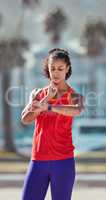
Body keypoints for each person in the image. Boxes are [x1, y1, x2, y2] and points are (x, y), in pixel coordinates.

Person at [21, 48, 84, 200]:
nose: (55, 73)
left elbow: (77, 110)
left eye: (60, 69)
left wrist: (49, 107)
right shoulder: (37, 93)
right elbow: (25, 119)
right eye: (52, 69)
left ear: (67, 68)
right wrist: (45, 100)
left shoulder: (75, 95)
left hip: (63, 163)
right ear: (47, 69)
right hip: (38, 162)